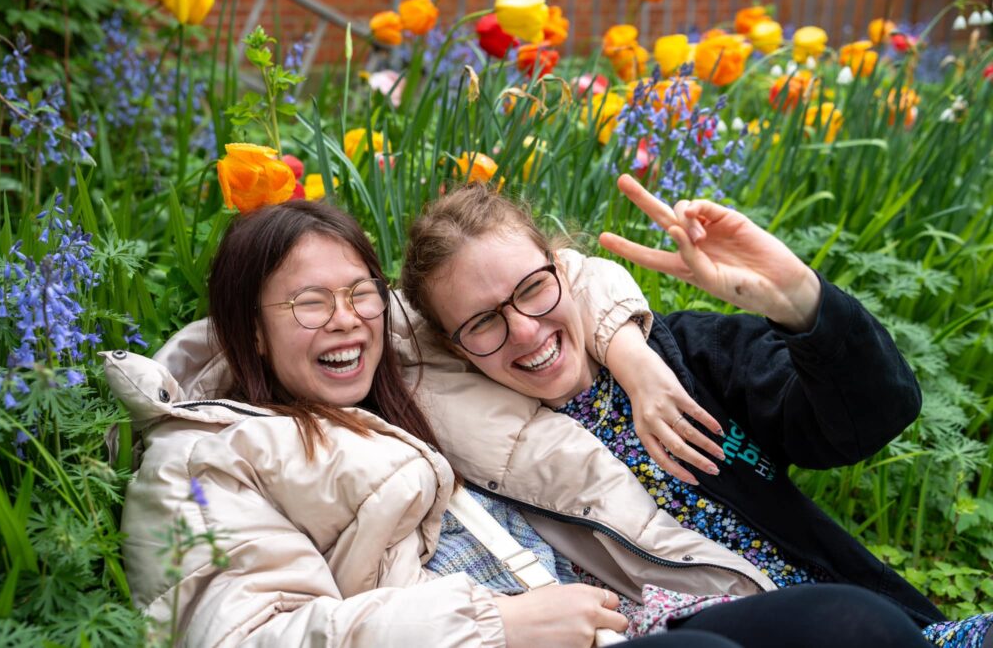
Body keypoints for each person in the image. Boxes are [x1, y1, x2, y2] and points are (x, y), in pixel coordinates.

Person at [103, 199, 751, 648]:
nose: (346, 319)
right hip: (501, 633)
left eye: (360, 292)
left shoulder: (407, 351)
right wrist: (495, 624)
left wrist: (631, 354)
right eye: (309, 302)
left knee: (843, 620)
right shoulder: (199, 455)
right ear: (253, 330)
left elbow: (552, 271)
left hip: (619, 611)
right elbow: (242, 636)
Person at [397, 176, 991, 647]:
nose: (525, 331)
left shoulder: (687, 357)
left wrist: (799, 299)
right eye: (482, 322)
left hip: (879, 627)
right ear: (451, 346)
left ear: (565, 270)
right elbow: (379, 329)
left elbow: (871, 415)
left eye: (533, 288)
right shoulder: (493, 467)